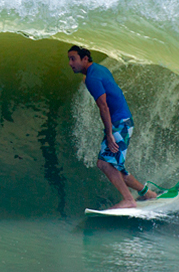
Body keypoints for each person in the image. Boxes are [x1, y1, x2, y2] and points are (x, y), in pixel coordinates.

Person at [68, 45, 159, 209]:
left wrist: (109, 133)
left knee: (104, 164)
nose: (70, 63)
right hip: (124, 120)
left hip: (119, 123)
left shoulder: (92, 78)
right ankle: (147, 194)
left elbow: (103, 106)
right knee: (117, 167)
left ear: (85, 59)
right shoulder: (98, 69)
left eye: (73, 58)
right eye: (69, 59)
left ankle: (129, 200)